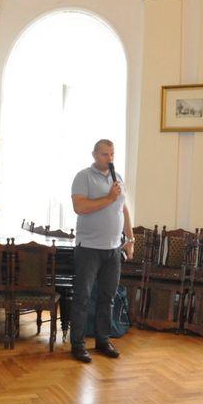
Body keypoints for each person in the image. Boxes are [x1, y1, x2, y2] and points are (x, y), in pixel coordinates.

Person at [69, 139, 134, 363]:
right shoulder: (83, 177)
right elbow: (79, 207)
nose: (110, 158)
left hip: (113, 249)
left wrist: (130, 239)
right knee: (82, 298)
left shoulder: (118, 178)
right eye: (105, 154)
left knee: (108, 297)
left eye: (112, 154)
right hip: (88, 248)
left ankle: (103, 340)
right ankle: (78, 345)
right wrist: (109, 198)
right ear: (94, 155)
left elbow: (124, 209)